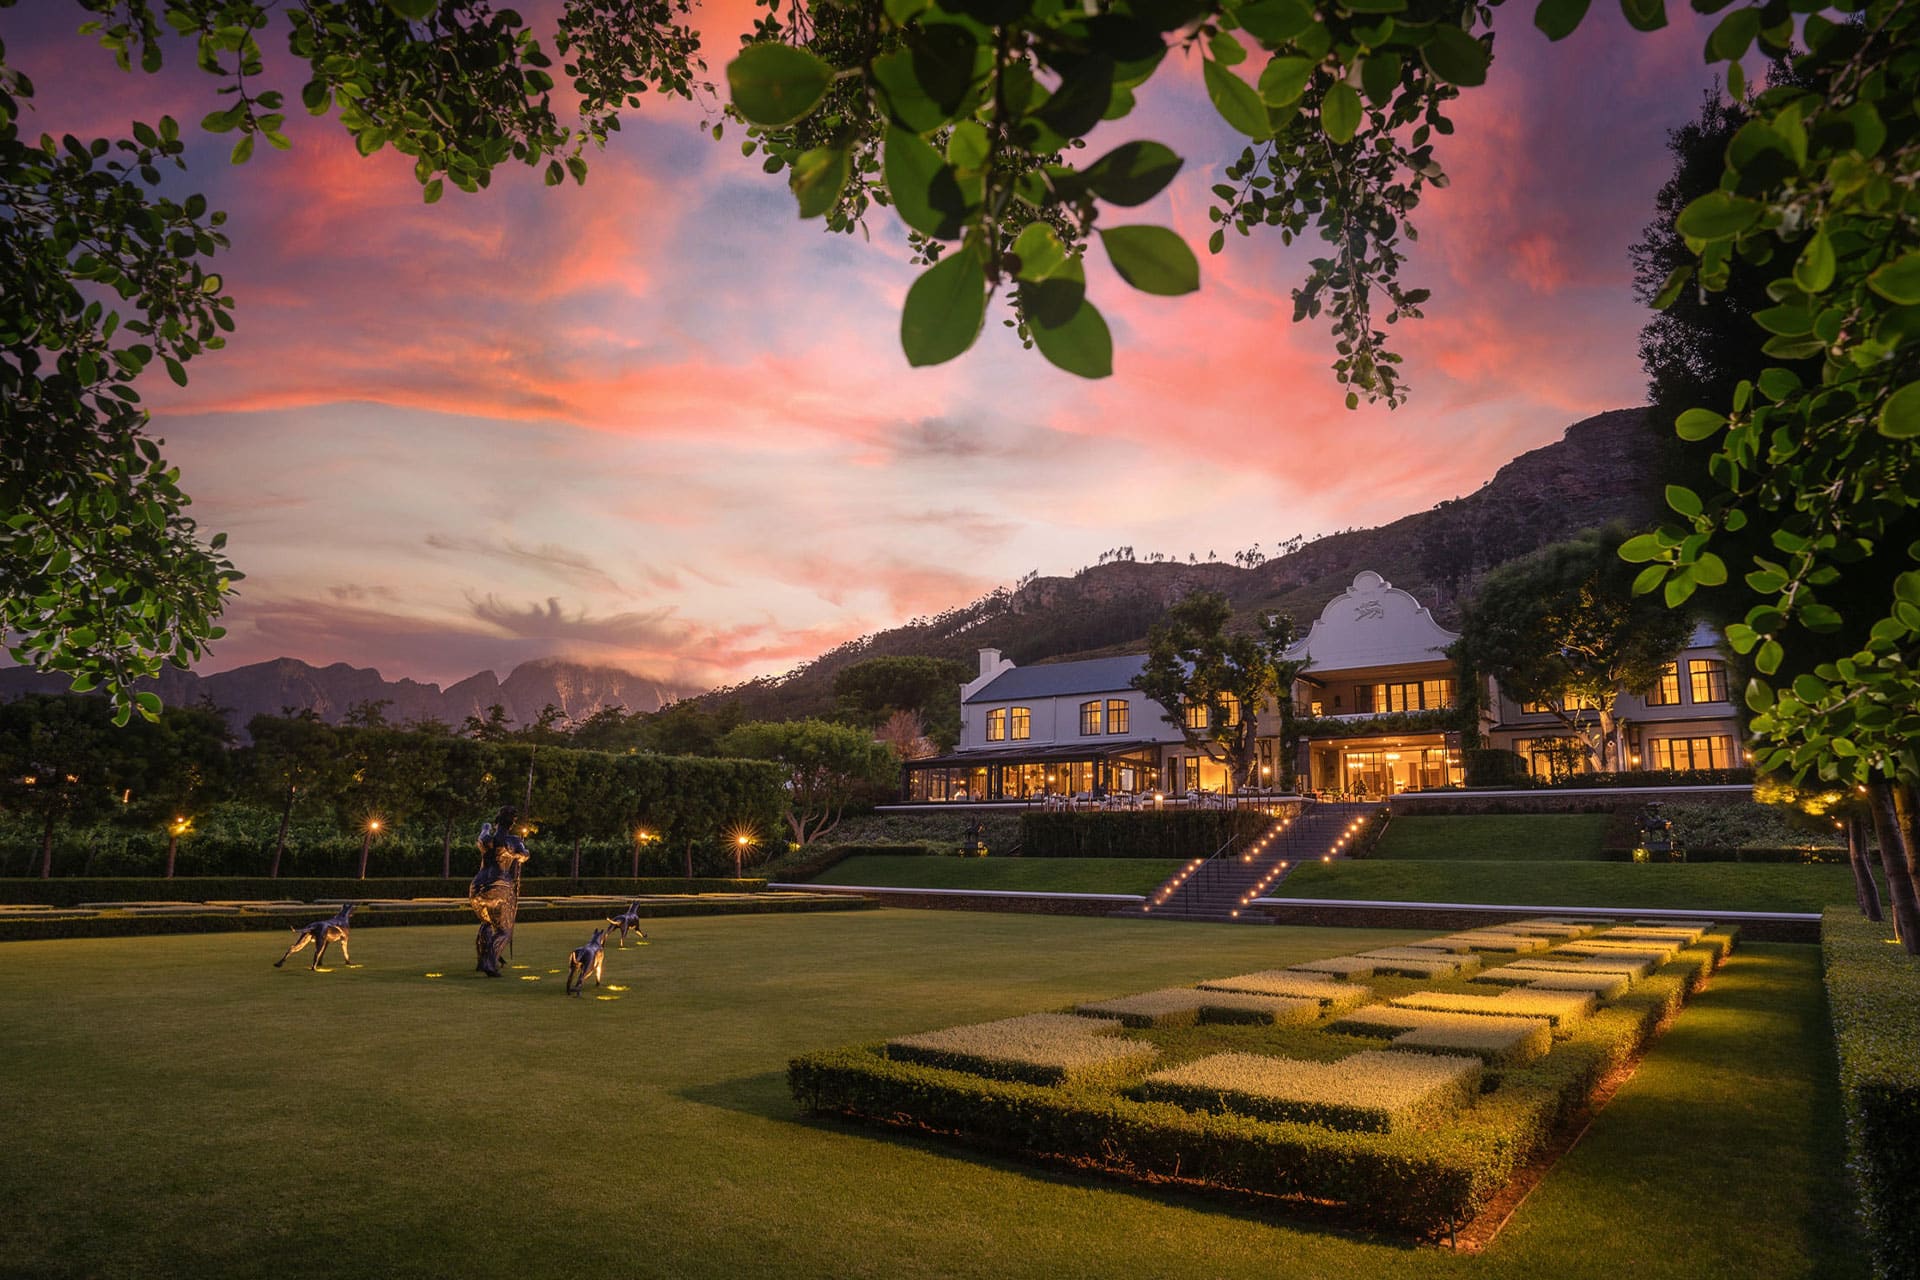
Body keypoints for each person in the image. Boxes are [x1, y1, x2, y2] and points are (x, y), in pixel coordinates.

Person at [469, 804, 531, 977]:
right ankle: (489, 962)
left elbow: (482, 834)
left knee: (487, 923)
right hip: (498, 887)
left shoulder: (486, 839)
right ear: (511, 823)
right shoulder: (513, 841)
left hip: (477, 887)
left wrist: (487, 827)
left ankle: (482, 959)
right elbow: (525, 855)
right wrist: (522, 849)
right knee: (504, 931)